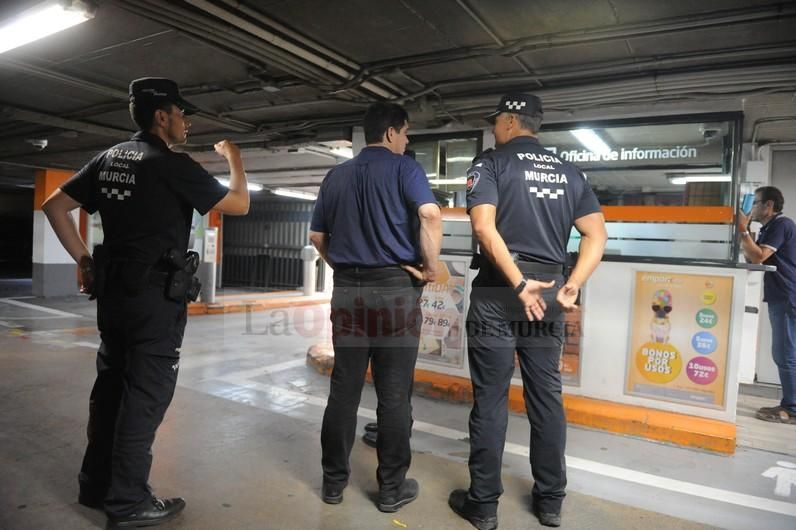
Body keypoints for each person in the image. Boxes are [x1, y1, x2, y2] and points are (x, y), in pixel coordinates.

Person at [42, 77, 250, 528]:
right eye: (181, 112)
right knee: (145, 397)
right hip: (155, 300)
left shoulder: (108, 158)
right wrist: (234, 158)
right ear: (162, 116)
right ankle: (128, 503)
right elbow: (238, 204)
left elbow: (53, 207)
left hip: (112, 297)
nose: (186, 121)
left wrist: (83, 260)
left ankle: (94, 486)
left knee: (111, 388)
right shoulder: (170, 163)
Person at [448, 93, 607, 529]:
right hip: (551, 294)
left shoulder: (491, 163)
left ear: (511, 122)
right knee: (546, 397)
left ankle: (483, 505)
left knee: (491, 400)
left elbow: (483, 225)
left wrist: (518, 282)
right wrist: (573, 284)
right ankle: (551, 501)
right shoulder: (570, 172)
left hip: (501, 293)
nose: (495, 128)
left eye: (497, 120)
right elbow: (597, 235)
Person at [309, 102, 442, 513]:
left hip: (348, 289)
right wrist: (429, 269)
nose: (405, 141)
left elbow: (317, 236)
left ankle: (333, 483)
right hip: (395, 290)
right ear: (390, 133)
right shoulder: (406, 169)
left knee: (344, 389)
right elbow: (431, 214)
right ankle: (390, 489)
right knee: (394, 393)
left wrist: (344, 269)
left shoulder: (337, 175)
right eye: (405, 134)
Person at [737, 186, 796, 424]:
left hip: (787, 296)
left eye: (756, 203)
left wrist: (742, 229)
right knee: (784, 353)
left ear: (768, 206)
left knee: (785, 354)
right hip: (780, 296)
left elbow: (759, 256)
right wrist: (746, 231)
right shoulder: (771, 228)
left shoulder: (782, 225)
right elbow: (753, 255)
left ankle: (791, 408)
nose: (752, 208)